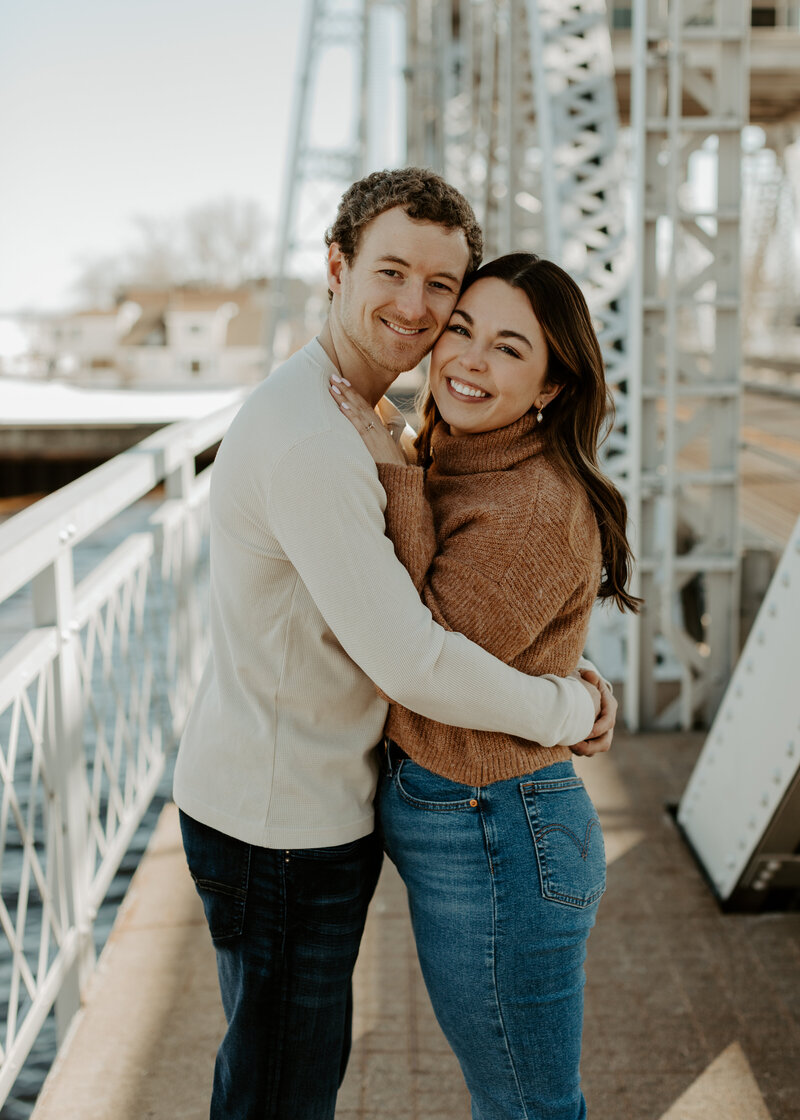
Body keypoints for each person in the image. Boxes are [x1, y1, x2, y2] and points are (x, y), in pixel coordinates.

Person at [173, 169, 616, 1120]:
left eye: (443, 288)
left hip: (303, 801)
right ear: (336, 268)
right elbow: (415, 659)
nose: (418, 310)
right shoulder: (320, 439)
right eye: (392, 272)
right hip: (279, 821)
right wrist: (568, 705)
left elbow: (482, 599)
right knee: (280, 1091)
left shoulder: (364, 420)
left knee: (285, 1077)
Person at [332, 251, 639, 1120]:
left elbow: (420, 652)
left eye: (509, 348)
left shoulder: (533, 502)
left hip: (499, 837)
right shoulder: (469, 453)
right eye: (460, 331)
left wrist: (387, 462)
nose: (467, 359)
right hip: (475, 826)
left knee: (526, 1107)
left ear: (550, 385)